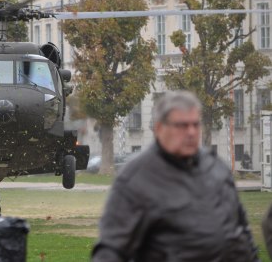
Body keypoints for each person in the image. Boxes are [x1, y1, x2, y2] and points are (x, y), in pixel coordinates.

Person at [92, 90, 259, 262]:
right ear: (159, 128)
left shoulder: (216, 167)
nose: (191, 132)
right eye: (182, 125)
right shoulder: (135, 178)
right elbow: (111, 250)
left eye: (195, 124)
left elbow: (241, 230)